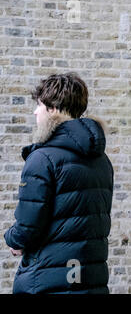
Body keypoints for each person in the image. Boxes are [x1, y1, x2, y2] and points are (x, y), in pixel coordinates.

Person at [4, 73, 114, 294]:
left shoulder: (42, 158)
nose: (36, 112)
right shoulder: (101, 160)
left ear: (53, 109)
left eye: (39, 106)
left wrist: (12, 239)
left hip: (48, 280)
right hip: (90, 278)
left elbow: (28, 225)